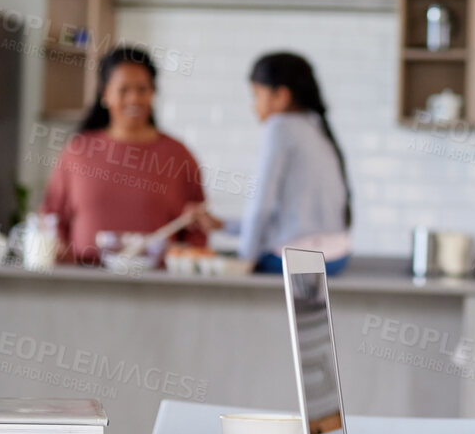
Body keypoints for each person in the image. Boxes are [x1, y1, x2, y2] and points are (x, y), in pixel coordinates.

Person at [40, 46, 207, 264]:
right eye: (124, 90)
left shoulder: (178, 156)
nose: (134, 99)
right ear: (105, 94)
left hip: (158, 287)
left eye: (142, 89)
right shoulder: (78, 151)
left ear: (153, 93)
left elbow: (196, 229)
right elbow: (52, 218)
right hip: (83, 283)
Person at [204, 52, 352, 275]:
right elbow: (293, 220)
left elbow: (261, 204)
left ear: (281, 96)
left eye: (256, 95)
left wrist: (245, 258)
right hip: (338, 255)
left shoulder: (279, 127)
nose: (253, 106)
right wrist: (225, 226)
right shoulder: (315, 126)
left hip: (298, 260)